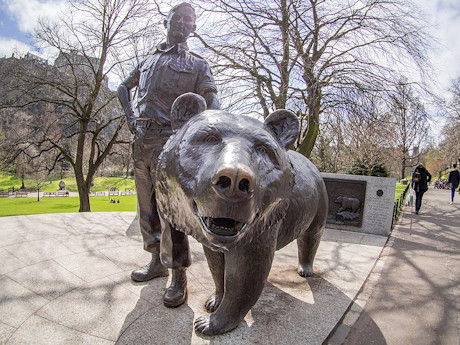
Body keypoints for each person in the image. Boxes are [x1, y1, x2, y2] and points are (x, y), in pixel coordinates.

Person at [117, 3, 219, 308]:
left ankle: (178, 276)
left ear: (193, 29)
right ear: (167, 21)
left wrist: (203, 133)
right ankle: (156, 261)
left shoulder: (198, 65)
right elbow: (123, 86)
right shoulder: (149, 59)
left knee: (171, 211)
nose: (182, 23)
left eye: (189, 20)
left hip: (170, 141)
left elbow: (211, 101)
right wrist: (129, 116)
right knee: (146, 208)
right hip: (141, 140)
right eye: (178, 18)